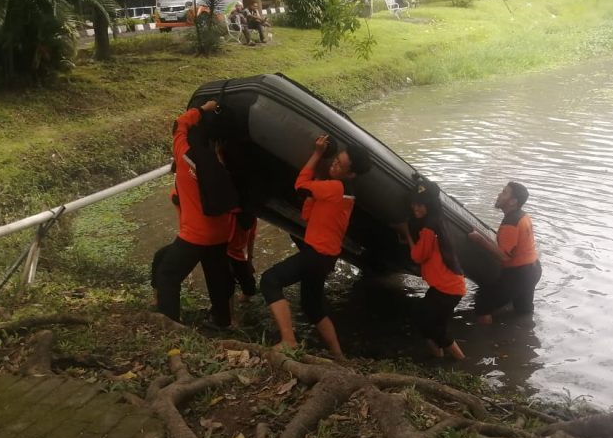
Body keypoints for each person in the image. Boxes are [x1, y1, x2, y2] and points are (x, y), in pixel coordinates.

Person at [259, 135, 373, 360]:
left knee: (270, 280)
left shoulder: (334, 188)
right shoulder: (345, 191)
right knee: (312, 306)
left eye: (340, 165)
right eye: (336, 159)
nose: (334, 164)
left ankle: (289, 341)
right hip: (325, 257)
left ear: (351, 173)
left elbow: (300, 186)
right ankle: (339, 356)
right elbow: (308, 213)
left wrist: (317, 154)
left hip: (317, 254)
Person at [154, 99, 236, 328]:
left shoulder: (184, 156)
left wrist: (202, 109)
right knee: (217, 277)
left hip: (195, 235)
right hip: (221, 233)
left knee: (168, 274)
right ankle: (222, 320)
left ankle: (171, 327)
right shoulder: (223, 160)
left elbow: (178, 124)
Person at [395, 178, 467, 359]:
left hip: (447, 289)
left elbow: (417, 256)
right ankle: (439, 357)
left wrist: (406, 232)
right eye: (414, 204)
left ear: (430, 204)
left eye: (421, 205)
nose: (416, 208)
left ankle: (460, 359)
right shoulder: (438, 221)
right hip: (451, 286)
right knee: (431, 322)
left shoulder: (428, 229)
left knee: (428, 323)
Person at [467, 181, 541, 324]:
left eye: (505, 192)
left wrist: (480, 240)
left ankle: (486, 341)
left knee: (482, 304)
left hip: (519, 274)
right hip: (534, 269)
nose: (500, 195)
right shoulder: (523, 215)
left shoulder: (511, 222)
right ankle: (524, 335)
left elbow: (504, 256)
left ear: (513, 201)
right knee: (523, 310)